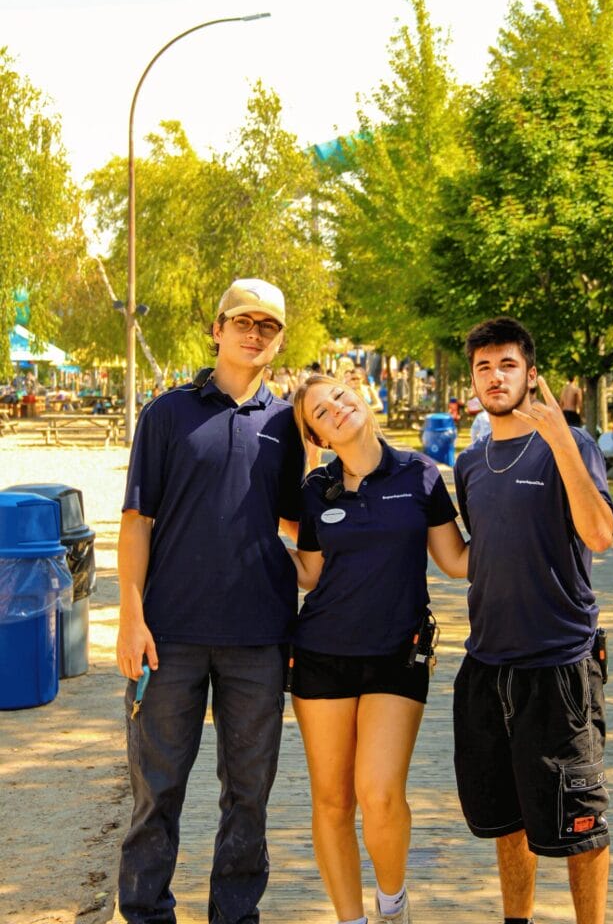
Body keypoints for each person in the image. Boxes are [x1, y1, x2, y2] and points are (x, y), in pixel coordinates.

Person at [115, 278, 305, 924]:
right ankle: (144, 913)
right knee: (156, 793)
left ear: (277, 342)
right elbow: (136, 522)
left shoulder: (286, 425)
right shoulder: (166, 415)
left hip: (259, 638)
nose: (254, 334)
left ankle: (234, 915)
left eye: (268, 327)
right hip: (169, 636)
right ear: (216, 329)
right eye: (242, 321)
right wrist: (130, 619)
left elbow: (298, 530)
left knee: (249, 795)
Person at [452, 317, 613, 924]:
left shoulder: (576, 448)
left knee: (578, 822)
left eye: (508, 365)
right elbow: (474, 554)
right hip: (489, 665)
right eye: (484, 367)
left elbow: (598, 534)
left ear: (531, 375)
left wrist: (563, 445)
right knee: (507, 818)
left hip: (560, 668)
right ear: (473, 380)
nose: (495, 377)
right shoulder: (470, 464)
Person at [287, 374, 469, 924]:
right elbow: (311, 575)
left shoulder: (418, 472)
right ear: (316, 436)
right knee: (334, 801)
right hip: (321, 654)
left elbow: (457, 560)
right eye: (320, 412)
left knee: (380, 792)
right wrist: (248, 538)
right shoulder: (315, 492)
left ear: (360, 399)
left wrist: (528, 532)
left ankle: (392, 905)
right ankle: (352, 919)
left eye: (339, 397)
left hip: (398, 653)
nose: (335, 409)